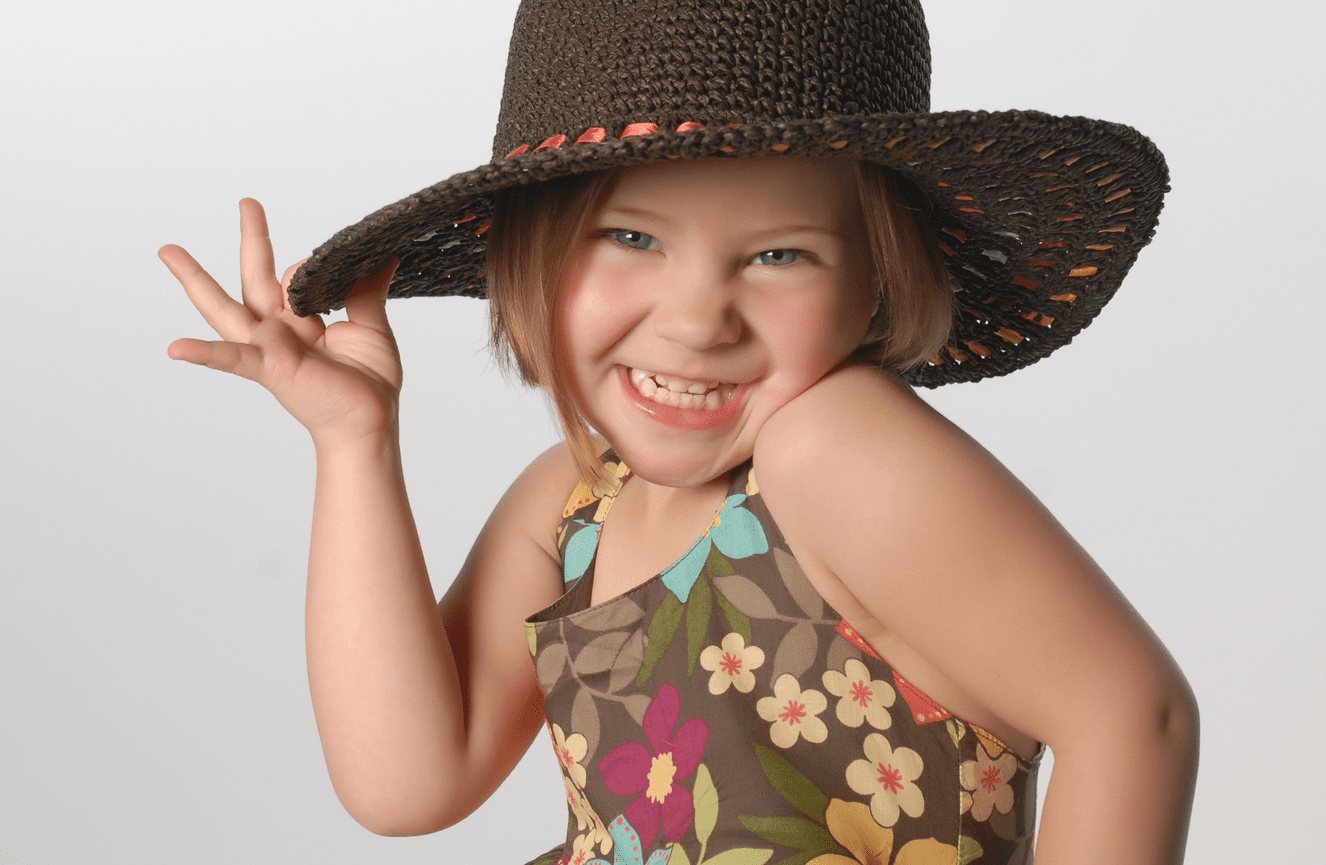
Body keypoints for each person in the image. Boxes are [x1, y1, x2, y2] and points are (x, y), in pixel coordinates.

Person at [161, 1, 1198, 862]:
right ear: (529, 255)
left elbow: (1131, 716)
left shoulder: (831, 450)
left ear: (878, 276)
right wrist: (353, 446)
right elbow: (406, 779)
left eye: (782, 255)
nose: (699, 319)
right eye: (630, 237)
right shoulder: (572, 506)